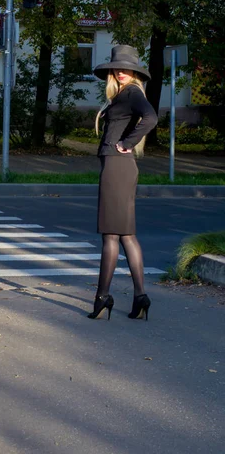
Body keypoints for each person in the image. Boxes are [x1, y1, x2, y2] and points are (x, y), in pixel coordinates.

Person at [87, 45, 158, 321]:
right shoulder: (121, 95)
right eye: (118, 68)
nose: (121, 71)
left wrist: (126, 143)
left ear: (134, 72)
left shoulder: (131, 93)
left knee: (111, 235)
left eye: (127, 68)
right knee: (126, 234)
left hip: (118, 166)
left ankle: (102, 296)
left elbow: (151, 117)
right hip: (120, 167)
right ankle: (140, 296)